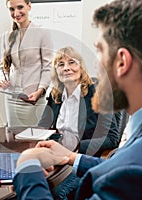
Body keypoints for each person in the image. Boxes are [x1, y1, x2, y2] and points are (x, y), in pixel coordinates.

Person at [13, 0, 142, 199]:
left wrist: (27, 169)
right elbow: (122, 164)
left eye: (100, 50)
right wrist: (70, 157)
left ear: (122, 62)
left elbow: (131, 169)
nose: (96, 64)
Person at [38, 46, 121, 199]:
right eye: (61, 64)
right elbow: (41, 127)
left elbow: (112, 138)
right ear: (56, 71)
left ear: (81, 67)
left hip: (82, 159)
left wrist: (76, 147)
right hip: (57, 159)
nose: (66, 68)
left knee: (55, 193)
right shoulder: (55, 95)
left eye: (72, 62)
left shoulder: (97, 94)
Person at [0, 0, 54, 127]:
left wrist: (40, 91)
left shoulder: (42, 33)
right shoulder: (7, 36)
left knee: (34, 138)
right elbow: (3, 66)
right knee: (13, 138)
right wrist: (3, 79)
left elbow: (48, 67)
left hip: (34, 96)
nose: (16, 13)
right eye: (12, 9)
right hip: (12, 96)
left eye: (20, 7)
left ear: (29, 6)